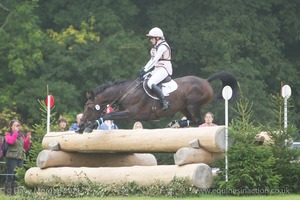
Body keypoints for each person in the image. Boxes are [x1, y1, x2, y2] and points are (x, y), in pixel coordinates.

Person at [140, 27, 172, 110]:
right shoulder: (155, 47)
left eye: (151, 38)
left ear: (157, 38)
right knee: (144, 78)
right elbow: (151, 60)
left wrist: (145, 70)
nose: (150, 40)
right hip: (157, 68)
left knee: (151, 82)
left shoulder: (163, 47)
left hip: (164, 68)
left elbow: (154, 60)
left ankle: (165, 101)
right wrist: (144, 68)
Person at [4, 119, 31, 195]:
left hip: (20, 158)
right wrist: (15, 133)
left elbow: (25, 147)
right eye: (15, 125)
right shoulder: (8, 135)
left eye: (18, 125)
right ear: (11, 126)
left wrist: (28, 140)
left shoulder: (21, 135)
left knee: (17, 176)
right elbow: (10, 141)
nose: (17, 127)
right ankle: (7, 193)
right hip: (11, 158)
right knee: (10, 176)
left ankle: (14, 193)